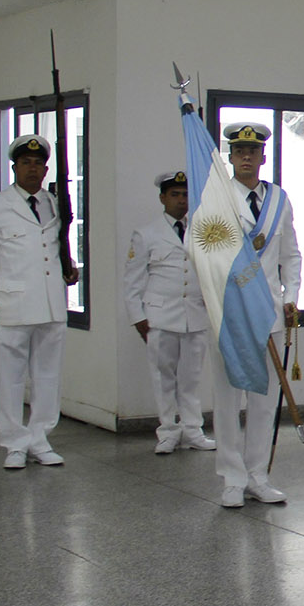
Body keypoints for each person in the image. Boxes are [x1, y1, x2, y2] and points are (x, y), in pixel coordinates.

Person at [210, 123, 302, 507]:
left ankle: (257, 475)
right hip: (230, 315)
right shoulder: (214, 199)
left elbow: (290, 255)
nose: (247, 157)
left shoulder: (279, 199)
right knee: (229, 398)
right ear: (230, 157)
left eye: (254, 151)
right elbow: (199, 254)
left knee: (265, 399)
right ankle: (232, 478)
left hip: (269, 314)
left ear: (264, 156)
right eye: (239, 151)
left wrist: (291, 296)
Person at [0, 134, 76, 469]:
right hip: (13, 304)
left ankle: (40, 437)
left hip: (51, 303)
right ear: (14, 167)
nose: (32, 169)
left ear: (46, 168)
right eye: (26, 163)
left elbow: (57, 248)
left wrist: (69, 267)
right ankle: (15, 443)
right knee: (12, 377)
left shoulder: (54, 203)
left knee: (48, 376)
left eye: (38, 163)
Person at [123, 171, 215, 455]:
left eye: (185, 195)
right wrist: (138, 317)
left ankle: (192, 430)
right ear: (163, 198)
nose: (180, 200)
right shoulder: (147, 233)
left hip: (195, 315)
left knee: (191, 378)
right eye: (174, 195)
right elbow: (133, 280)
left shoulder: (202, 231)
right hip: (160, 317)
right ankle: (167, 431)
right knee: (163, 378)